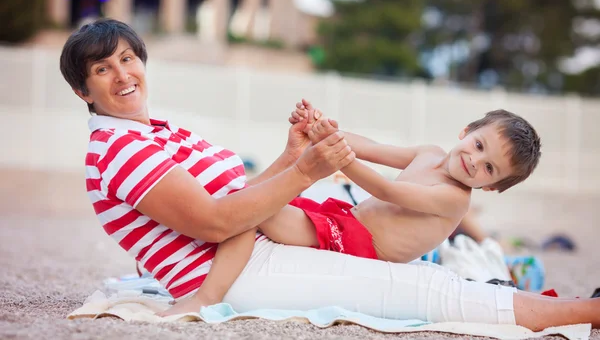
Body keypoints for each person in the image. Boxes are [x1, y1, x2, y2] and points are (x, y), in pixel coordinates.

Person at [59, 18, 600, 331]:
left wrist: (297, 155)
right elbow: (219, 220)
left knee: (432, 284)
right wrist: (310, 168)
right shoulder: (123, 148)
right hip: (236, 271)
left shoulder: (154, 131)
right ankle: (587, 312)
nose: (123, 74)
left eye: (128, 58)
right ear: (84, 91)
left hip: (254, 247)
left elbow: (243, 198)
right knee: (430, 291)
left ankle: (578, 308)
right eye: (102, 69)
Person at [171, 101, 541, 314]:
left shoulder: (454, 199)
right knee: (258, 199)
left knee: (258, 209)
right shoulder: (430, 153)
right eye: (479, 146)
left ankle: (207, 296)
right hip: (344, 219)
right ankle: (190, 219)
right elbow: (371, 147)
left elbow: (386, 190)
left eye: (489, 168)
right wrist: (324, 130)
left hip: (361, 246)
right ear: (466, 132)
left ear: (491, 186)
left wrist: (339, 159)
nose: (475, 162)